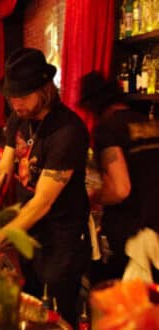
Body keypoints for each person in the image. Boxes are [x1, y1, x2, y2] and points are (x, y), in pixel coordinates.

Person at [0, 48, 91, 328]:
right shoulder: (18, 118)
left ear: (45, 89)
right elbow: (5, 165)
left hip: (61, 239)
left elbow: (43, 202)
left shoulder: (67, 131)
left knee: (56, 318)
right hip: (29, 232)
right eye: (12, 96)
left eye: (23, 96)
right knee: (29, 310)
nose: (16, 103)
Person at [78, 71, 159, 283]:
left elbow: (120, 189)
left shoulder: (107, 129)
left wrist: (93, 196)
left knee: (116, 302)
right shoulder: (150, 124)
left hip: (131, 233)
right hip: (155, 227)